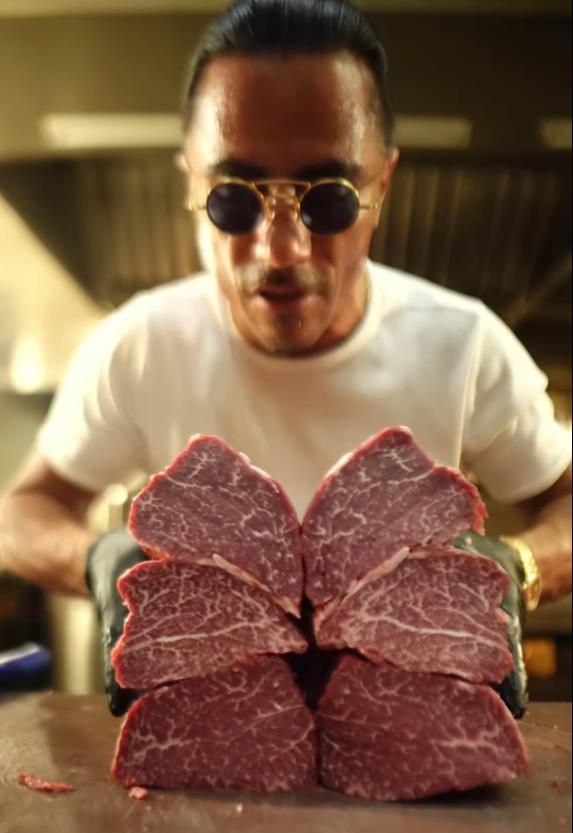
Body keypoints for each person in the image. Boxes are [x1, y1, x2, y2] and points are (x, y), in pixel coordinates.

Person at [0, 0, 570, 717]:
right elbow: (22, 512)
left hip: (407, 740)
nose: (280, 250)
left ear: (382, 185)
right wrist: (99, 559)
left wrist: (520, 566)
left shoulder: (464, 345)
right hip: (213, 740)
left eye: (328, 200)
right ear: (190, 182)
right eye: (233, 200)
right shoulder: (141, 344)